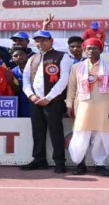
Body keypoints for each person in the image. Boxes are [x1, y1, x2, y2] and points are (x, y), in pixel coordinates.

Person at [66, 38, 109, 176]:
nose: (91, 51)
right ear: (84, 50)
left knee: (101, 136)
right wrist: (69, 105)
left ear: (101, 50)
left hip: (104, 106)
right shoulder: (76, 67)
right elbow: (71, 88)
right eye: (88, 48)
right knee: (80, 135)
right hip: (83, 106)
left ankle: (100, 165)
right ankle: (80, 164)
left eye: (94, 48)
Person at [20, 30, 73, 173]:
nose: (40, 43)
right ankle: (39, 159)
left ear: (51, 41)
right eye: (38, 41)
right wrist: (31, 96)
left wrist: (48, 98)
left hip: (54, 102)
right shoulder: (32, 58)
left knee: (56, 131)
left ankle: (60, 162)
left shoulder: (63, 56)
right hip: (35, 101)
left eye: (44, 40)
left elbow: (64, 80)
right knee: (37, 131)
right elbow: (25, 79)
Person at [10, 46, 30, 117]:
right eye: (15, 56)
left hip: (36, 100)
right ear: (12, 59)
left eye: (21, 54)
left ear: (27, 55)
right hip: (22, 101)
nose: (18, 57)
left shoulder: (35, 67)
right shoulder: (12, 71)